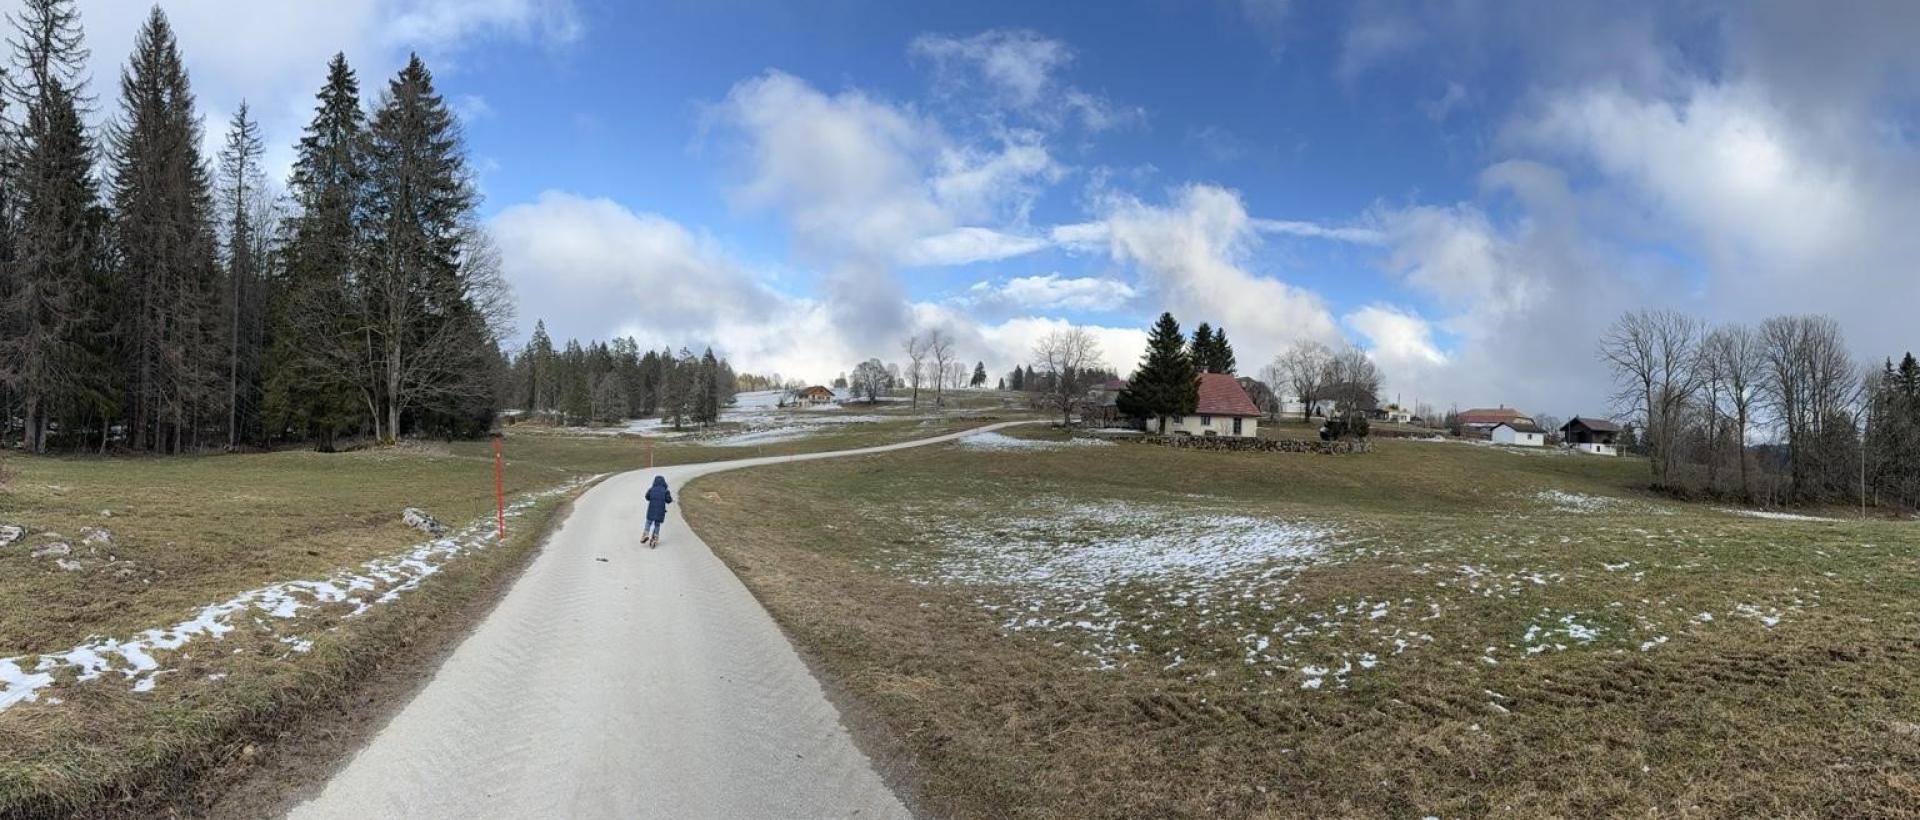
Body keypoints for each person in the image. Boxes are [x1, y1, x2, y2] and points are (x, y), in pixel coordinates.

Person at [643, 475, 673, 547]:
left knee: (648, 522)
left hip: (651, 509)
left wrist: (652, 498)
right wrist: (670, 500)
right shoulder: (665, 491)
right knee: (657, 524)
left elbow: (647, 496)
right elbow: (668, 500)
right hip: (660, 511)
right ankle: (655, 537)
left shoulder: (651, 489)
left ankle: (646, 533)